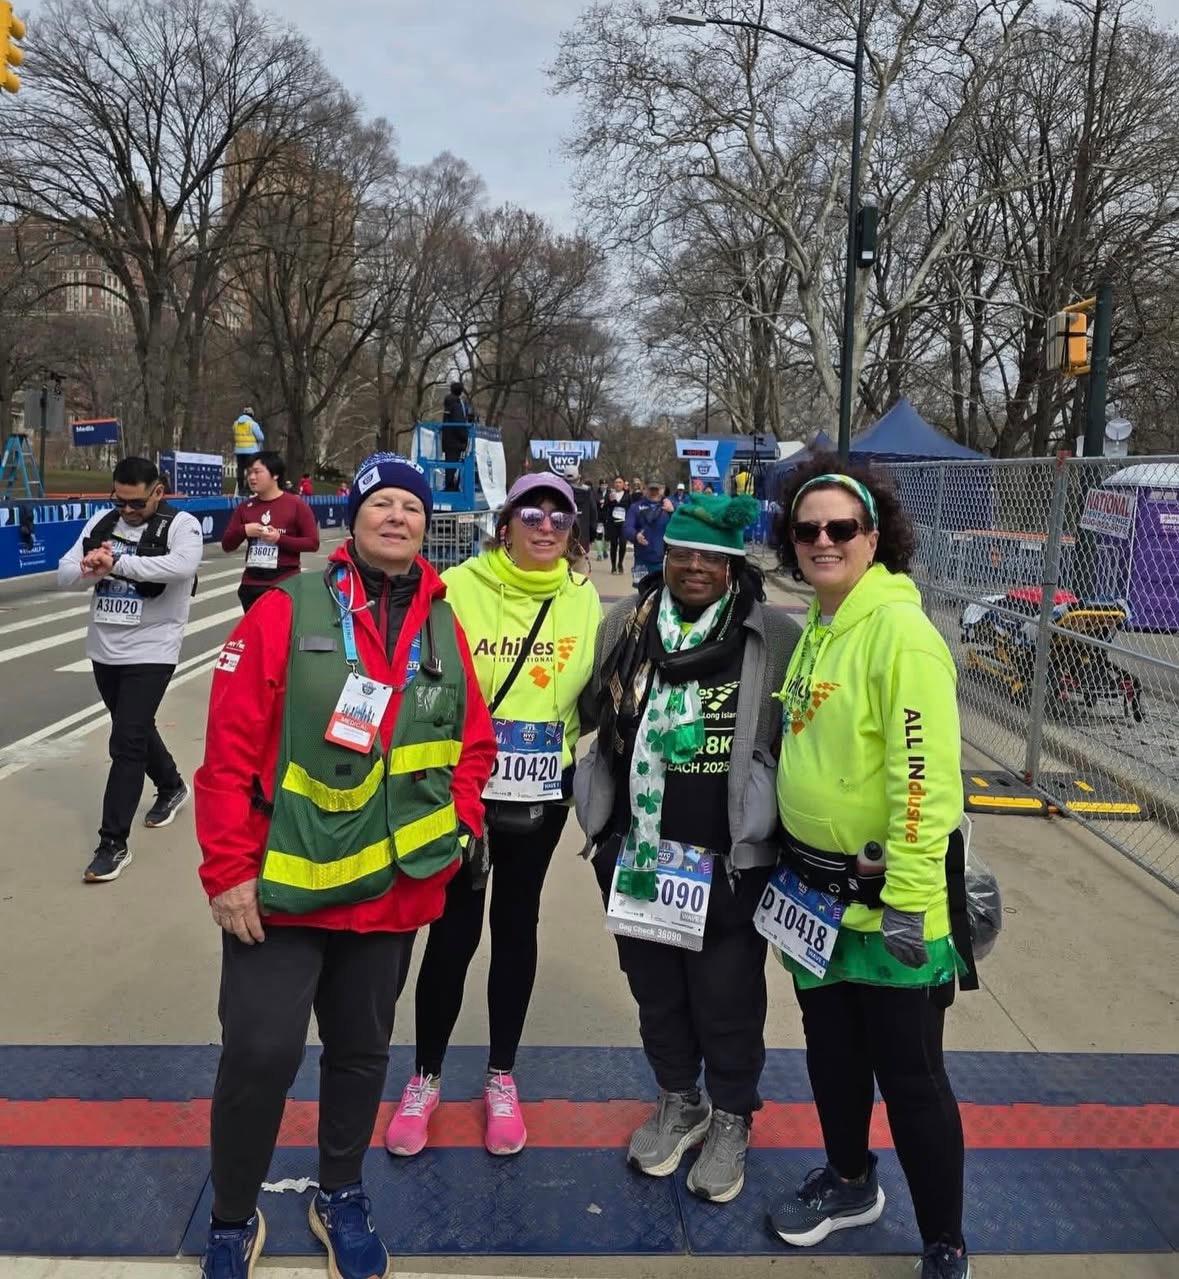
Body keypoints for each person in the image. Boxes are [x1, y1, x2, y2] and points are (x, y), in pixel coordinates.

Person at [194, 452, 496, 1279]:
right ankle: (231, 1212)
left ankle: (340, 1190)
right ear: (352, 519)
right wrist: (226, 869)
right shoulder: (284, 609)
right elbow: (226, 752)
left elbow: (474, 741)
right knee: (258, 1052)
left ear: (424, 523)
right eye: (380, 503)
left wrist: (459, 823)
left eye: (410, 505)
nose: (396, 516)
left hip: (393, 891)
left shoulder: (443, 620)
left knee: (362, 1050)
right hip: (282, 887)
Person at [765, 456, 972, 1279]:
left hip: (890, 906)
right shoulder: (822, 621)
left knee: (912, 1077)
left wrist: (910, 906)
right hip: (814, 900)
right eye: (806, 528)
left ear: (873, 535)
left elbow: (924, 780)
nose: (821, 540)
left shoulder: (900, 632)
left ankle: (943, 1240)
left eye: (839, 528)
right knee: (833, 1056)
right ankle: (850, 1180)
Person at [576, 493, 799, 1203]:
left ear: (734, 563)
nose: (694, 565)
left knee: (726, 997)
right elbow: (588, 711)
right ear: (662, 555)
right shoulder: (627, 624)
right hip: (639, 852)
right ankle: (680, 1098)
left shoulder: (774, 636)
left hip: (725, 860)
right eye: (681, 552)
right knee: (656, 994)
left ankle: (732, 1114)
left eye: (710, 554)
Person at [384, 472, 602, 1159]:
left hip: (543, 791)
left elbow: (588, 693)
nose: (545, 527)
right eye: (531, 514)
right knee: (452, 932)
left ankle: (500, 1076)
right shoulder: (461, 588)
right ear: (504, 522)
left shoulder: (581, 596)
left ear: (572, 531)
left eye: (558, 518)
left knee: (516, 924)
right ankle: (425, 1077)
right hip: (467, 788)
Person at [57, 457, 203, 883]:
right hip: (104, 649)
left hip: (152, 649)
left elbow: (180, 567)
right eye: (118, 501)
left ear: (158, 491)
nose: (126, 510)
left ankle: (112, 844)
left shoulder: (182, 526)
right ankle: (172, 785)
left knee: (125, 742)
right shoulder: (103, 522)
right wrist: (87, 567)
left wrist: (116, 564)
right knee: (132, 727)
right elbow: (63, 573)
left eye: (135, 502)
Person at [221, 451, 320, 613]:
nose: (252, 477)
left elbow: (312, 543)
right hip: (251, 584)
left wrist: (279, 538)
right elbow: (227, 544)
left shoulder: (296, 504)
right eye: (249, 473)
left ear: (275, 475)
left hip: (285, 583)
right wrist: (244, 530)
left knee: (279, 636)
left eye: (257, 472)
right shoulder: (245, 508)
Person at [624, 478, 674, 585]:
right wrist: (636, 535)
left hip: (664, 560)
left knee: (663, 592)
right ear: (645, 489)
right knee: (641, 592)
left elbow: (682, 528)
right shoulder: (635, 507)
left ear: (662, 489)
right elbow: (627, 527)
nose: (654, 492)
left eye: (657, 489)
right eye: (651, 489)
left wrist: (672, 512)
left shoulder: (671, 506)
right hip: (642, 560)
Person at [560, 462, 598, 567]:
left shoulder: (559, 494)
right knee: (580, 575)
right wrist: (591, 537)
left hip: (563, 540)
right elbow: (593, 516)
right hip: (582, 540)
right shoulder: (588, 493)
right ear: (579, 478)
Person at [440, 381, 472, 492]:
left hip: (448, 439)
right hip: (456, 441)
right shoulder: (457, 404)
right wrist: (465, 437)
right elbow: (459, 424)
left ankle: (450, 485)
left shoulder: (449, 403)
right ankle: (450, 487)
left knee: (450, 464)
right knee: (452, 465)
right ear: (461, 391)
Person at [231, 406, 264, 496]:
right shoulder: (252, 424)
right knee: (251, 470)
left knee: (240, 469)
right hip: (251, 451)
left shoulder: (235, 424)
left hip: (239, 450)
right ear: (251, 415)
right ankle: (248, 489)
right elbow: (261, 437)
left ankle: (241, 489)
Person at [604, 475, 631, 575]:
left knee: (623, 544)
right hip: (613, 523)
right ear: (614, 484)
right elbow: (605, 507)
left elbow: (630, 508)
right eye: (616, 482)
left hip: (623, 523)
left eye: (620, 482)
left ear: (623, 484)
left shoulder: (627, 495)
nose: (618, 484)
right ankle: (613, 566)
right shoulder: (610, 494)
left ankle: (620, 563)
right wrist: (610, 501)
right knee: (613, 545)